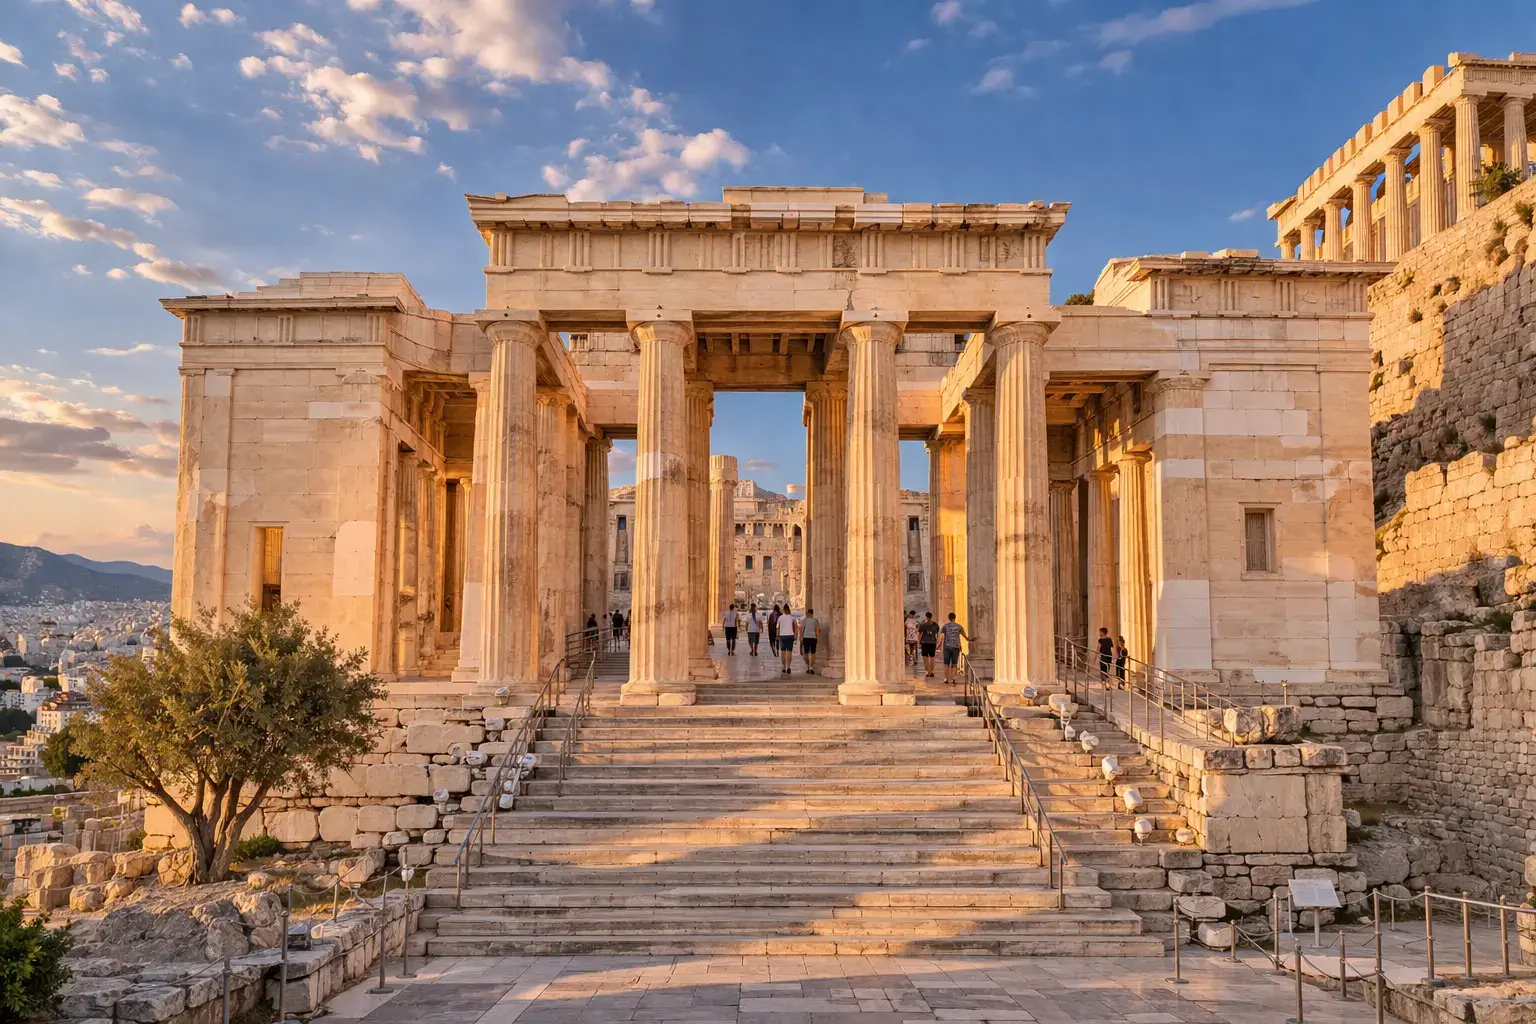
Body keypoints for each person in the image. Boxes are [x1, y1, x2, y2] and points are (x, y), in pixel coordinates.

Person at [939, 612, 968, 684]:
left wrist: (939, 644)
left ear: (949, 618)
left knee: (946, 663)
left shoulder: (945, 626)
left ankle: (946, 679)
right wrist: (967, 640)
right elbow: (965, 636)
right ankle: (954, 678)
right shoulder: (959, 626)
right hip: (955, 647)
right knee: (954, 663)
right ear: (955, 618)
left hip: (947, 646)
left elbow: (941, 636)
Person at [917, 612, 940, 678]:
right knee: (932, 657)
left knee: (925, 657)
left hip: (924, 642)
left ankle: (927, 670)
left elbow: (919, 633)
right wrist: (937, 642)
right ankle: (932, 671)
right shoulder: (935, 624)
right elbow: (936, 634)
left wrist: (918, 642)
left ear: (926, 616)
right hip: (932, 642)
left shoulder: (923, 625)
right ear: (931, 616)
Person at [777, 607, 798, 674]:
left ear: (783, 610)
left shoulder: (780, 618)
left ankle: (783, 667)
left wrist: (777, 634)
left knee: (783, 652)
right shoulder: (792, 618)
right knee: (789, 652)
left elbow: (777, 627)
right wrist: (796, 635)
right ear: (789, 610)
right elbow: (796, 627)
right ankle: (788, 667)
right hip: (790, 636)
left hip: (782, 636)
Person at [799, 608, 820, 674]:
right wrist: (818, 638)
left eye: (807, 613)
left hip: (806, 637)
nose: (806, 614)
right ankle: (811, 667)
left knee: (806, 653)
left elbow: (801, 629)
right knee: (813, 653)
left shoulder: (804, 621)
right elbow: (817, 630)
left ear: (809, 613)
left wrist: (801, 637)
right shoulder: (815, 621)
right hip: (813, 638)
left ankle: (808, 666)